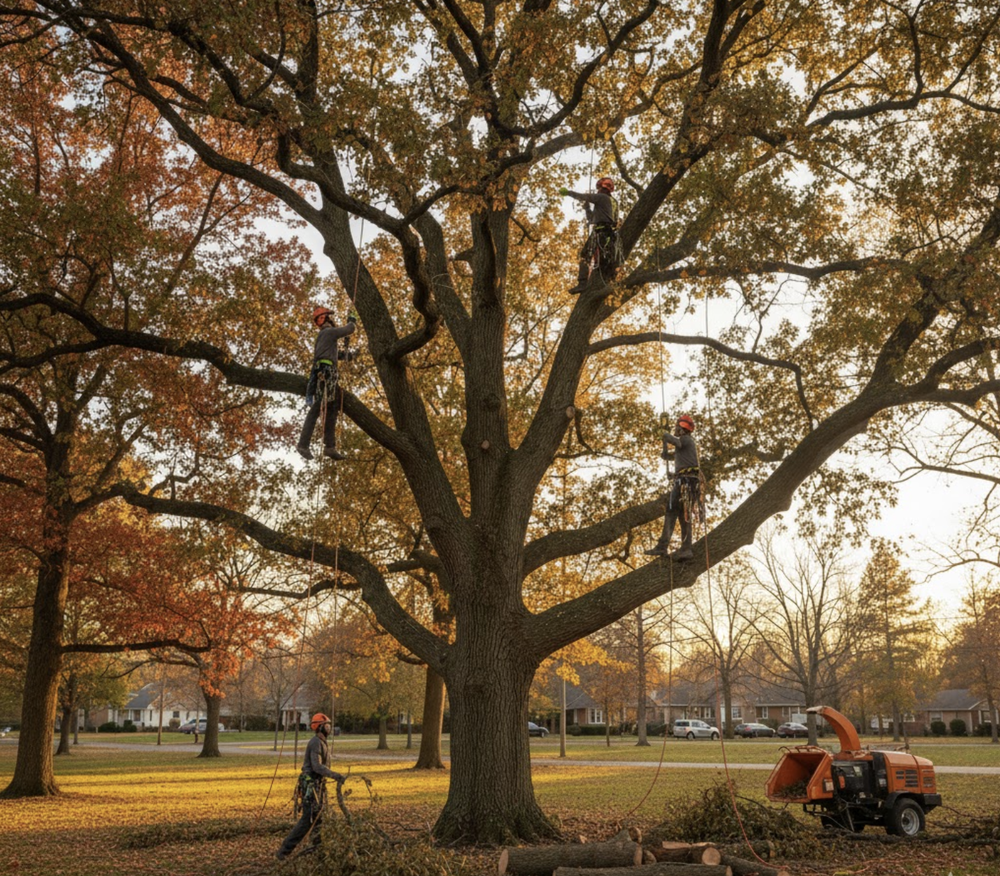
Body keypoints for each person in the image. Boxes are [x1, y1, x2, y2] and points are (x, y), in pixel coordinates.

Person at [276, 712, 346, 861]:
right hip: (310, 785)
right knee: (308, 819)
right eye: (327, 725)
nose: (330, 728)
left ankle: (317, 850)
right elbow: (316, 766)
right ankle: (284, 852)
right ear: (320, 727)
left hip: (318, 785)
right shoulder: (315, 742)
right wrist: (335, 775)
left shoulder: (322, 742)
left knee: (318, 818)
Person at [297, 305, 357, 461]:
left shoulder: (326, 339)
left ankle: (329, 447)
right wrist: (352, 319)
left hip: (328, 373)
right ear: (324, 319)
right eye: (330, 318)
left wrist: (351, 354)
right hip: (325, 372)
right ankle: (303, 444)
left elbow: (338, 355)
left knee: (332, 407)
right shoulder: (328, 333)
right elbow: (349, 329)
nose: (332, 321)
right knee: (318, 407)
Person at [645, 414, 701, 560]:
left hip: (686, 482)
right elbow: (672, 457)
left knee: (672, 511)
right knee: (684, 515)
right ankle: (686, 548)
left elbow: (675, 441)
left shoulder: (686, 440)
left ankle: (662, 546)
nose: (676, 430)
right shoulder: (683, 447)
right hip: (686, 480)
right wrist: (667, 457)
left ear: (682, 428)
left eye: (677, 427)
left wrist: (664, 434)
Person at [559, 176, 620, 294]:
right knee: (603, 261)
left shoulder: (602, 197)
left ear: (602, 188)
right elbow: (592, 219)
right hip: (609, 233)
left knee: (585, 255)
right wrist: (587, 209)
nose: (597, 191)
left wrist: (568, 193)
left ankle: (582, 283)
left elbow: (583, 196)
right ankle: (608, 282)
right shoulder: (614, 202)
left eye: (599, 188)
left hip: (600, 231)